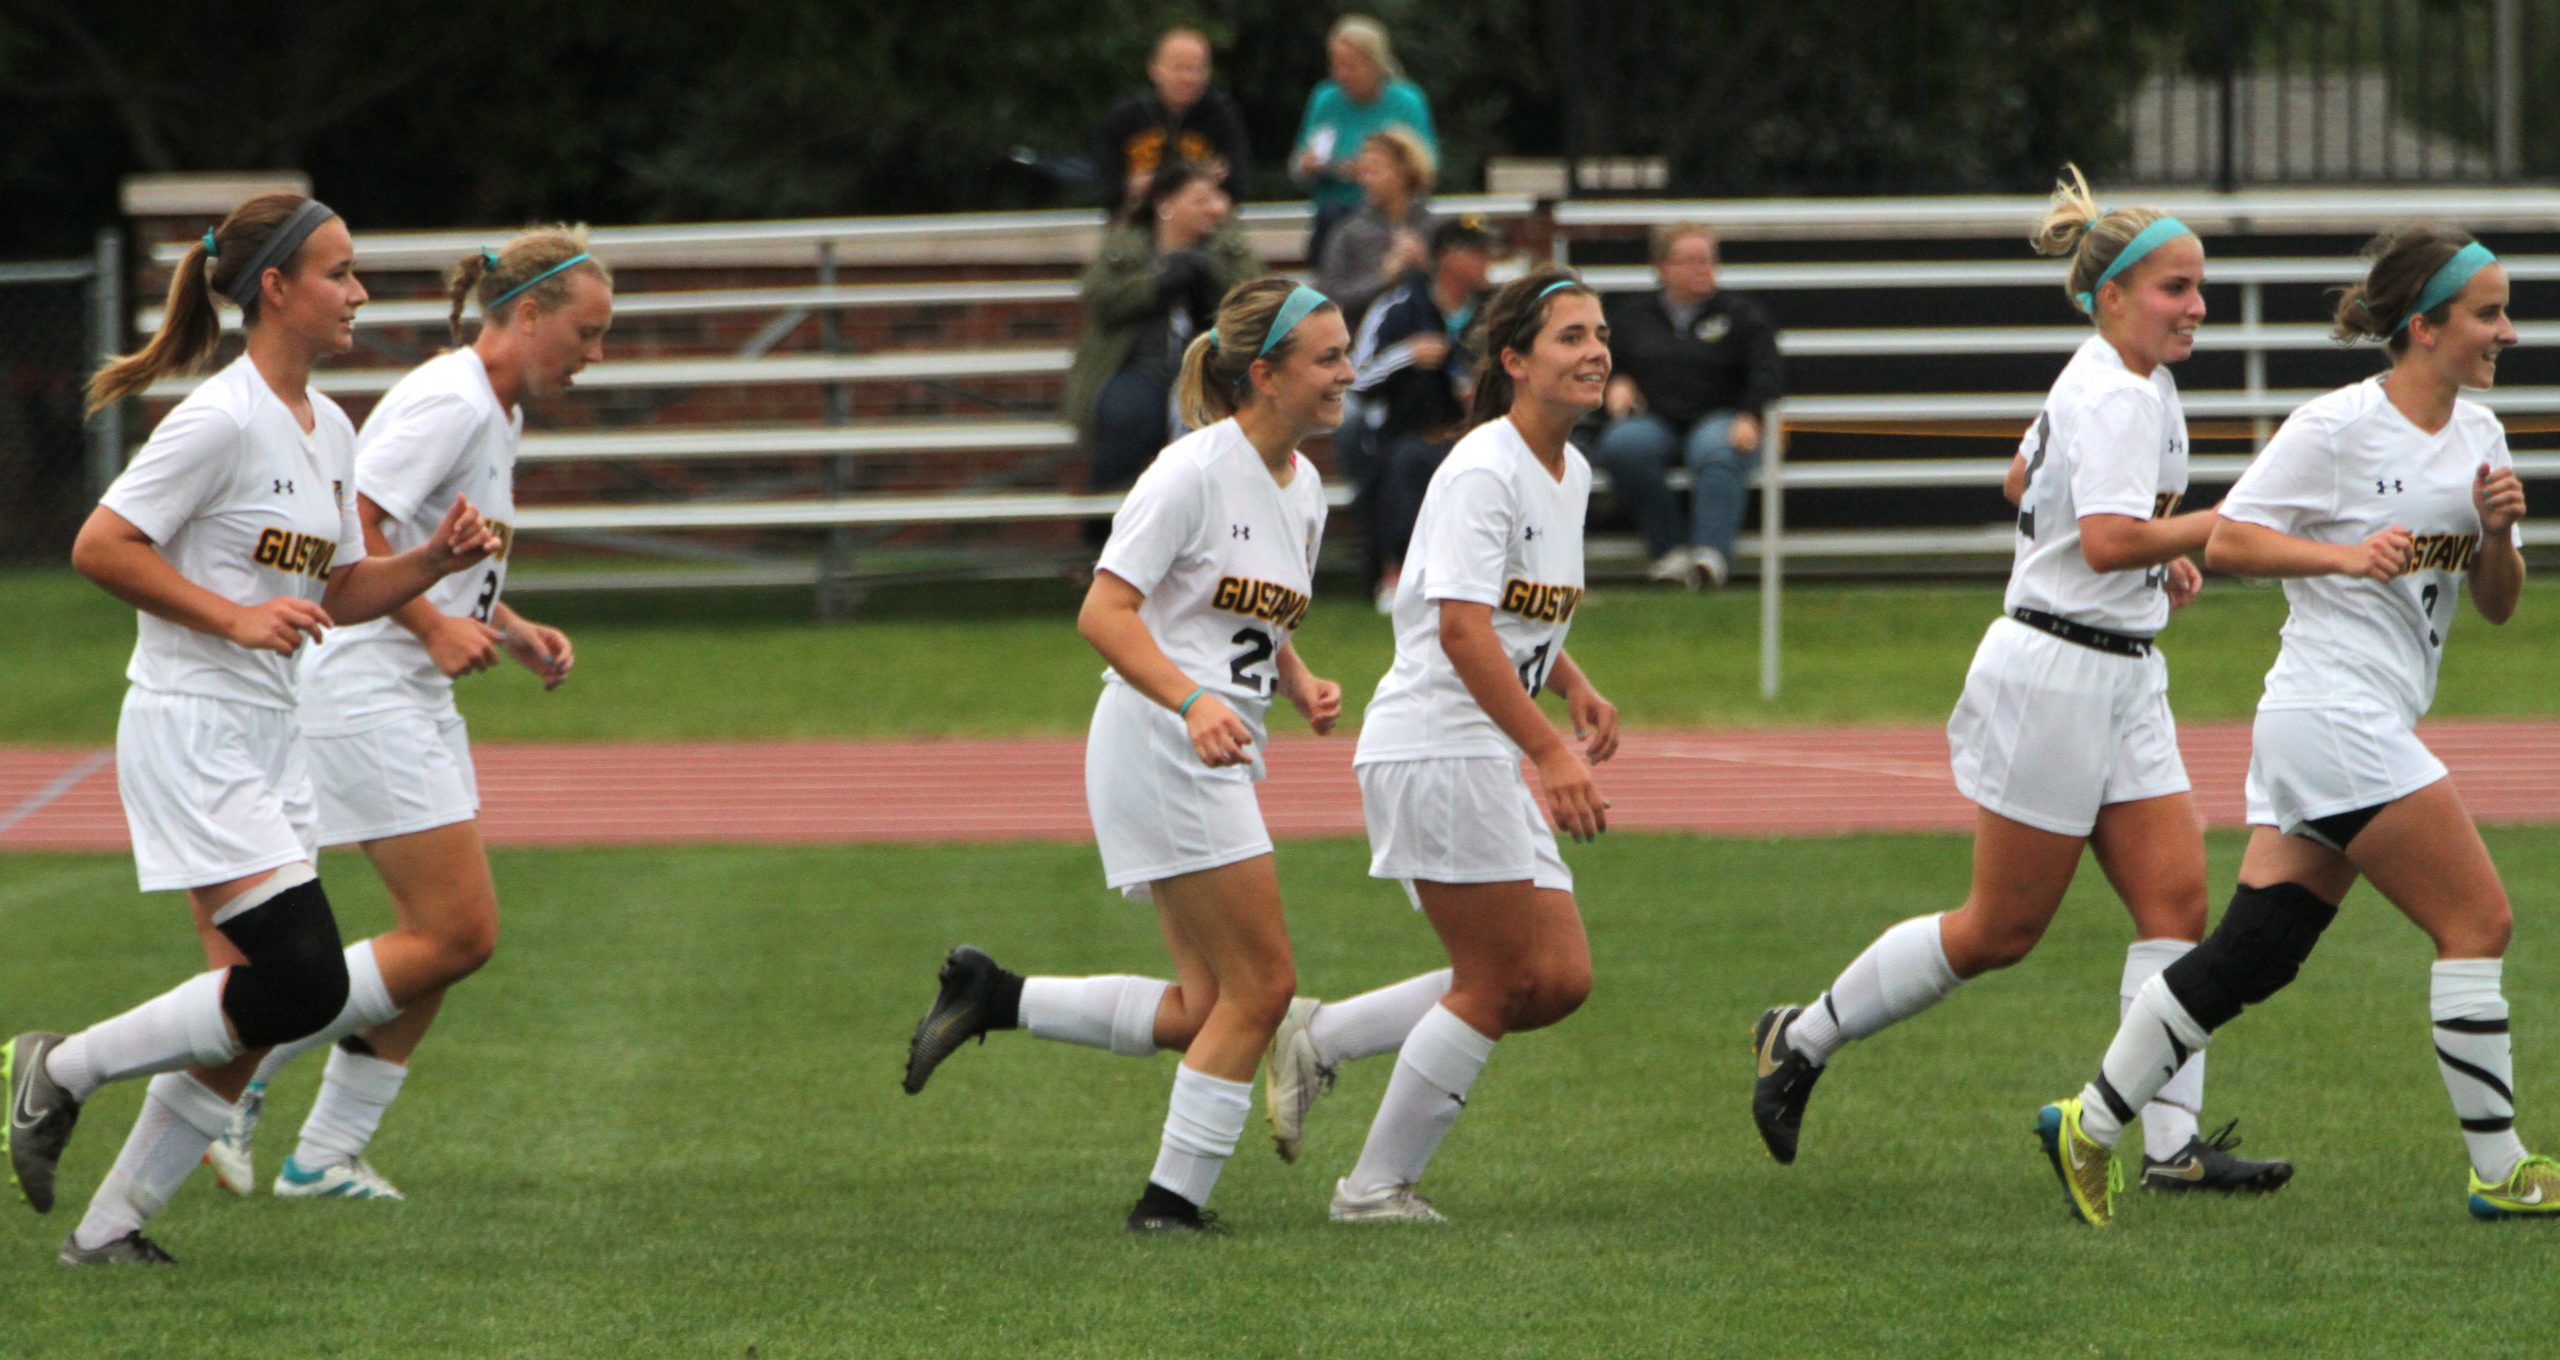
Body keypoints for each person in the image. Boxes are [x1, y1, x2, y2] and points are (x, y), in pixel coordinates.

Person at [1748, 168, 2292, 1201]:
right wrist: (2202, 533)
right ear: (2114, 292)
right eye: (2177, 287)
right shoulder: (2111, 387)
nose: (2198, 306)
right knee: (1997, 929)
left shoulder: (2127, 380)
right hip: (2055, 670)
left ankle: (2170, 1148)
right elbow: (2100, 538)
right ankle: (1800, 1037)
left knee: (2175, 899)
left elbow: (2026, 484)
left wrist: (2151, 551)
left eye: (2200, 287)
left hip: (2122, 667)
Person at [4, 192, 498, 1265]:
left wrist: (434, 566)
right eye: (339, 272)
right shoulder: (219, 417)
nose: (358, 292)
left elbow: (344, 586)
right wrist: (231, 614)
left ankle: (108, 1231)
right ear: (275, 288)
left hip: (272, 734)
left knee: (255, 1001)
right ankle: (64, 1067)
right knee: (304, 979)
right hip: (195, 730)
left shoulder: (330, 427)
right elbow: (103, 544)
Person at [2038, 225, 2551, 1226]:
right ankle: (2500, 1167)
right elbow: (2227, 536)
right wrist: (2343, 557)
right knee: (2477, 920)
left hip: (2354, 718)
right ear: (2423, 325)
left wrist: (2494, 536)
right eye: (2488, 312)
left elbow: (2496, 604)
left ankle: (2086, 1122)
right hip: (2332, 713)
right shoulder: (2336, 426)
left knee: (2256, 951)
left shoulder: (2480, 437)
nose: (2508, 331)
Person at [901, 279, 1352, 1234]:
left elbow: (1242, 611)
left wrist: (1298, 677)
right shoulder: (1188, 472)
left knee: (1205, 1008)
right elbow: (1103, 612)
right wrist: (1191, 701)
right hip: (1162, 742)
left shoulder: (1303, 485)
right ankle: (1169, 1205)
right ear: (1263, 375)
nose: (1348, 372)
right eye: (1328, 357)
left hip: (1206, 744)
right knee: (1263, 990)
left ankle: (997, 996)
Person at [199, 230, 609, 1202]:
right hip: (364, 681)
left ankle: (322, 1156)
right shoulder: (450, 397)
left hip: (406, 687)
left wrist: (499, 623)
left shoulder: (494, 409)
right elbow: (360, 528)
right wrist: (430, 625)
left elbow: (437, 546)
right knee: (457, 932)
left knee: (442, 941)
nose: (595, 356)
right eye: (585, 334)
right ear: (524, 314)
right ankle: (247, 1062)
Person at [1270, 268, 1620, 1223]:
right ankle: (1373, 1190)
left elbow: (1515, 617)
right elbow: (1461, 633)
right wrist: (1550, 752)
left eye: (1599, 334)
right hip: (1437, 745)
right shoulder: (1481, 468)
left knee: (1556, 980)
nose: (1596, 351)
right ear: (1513, 361)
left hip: (1476, 746)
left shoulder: (1569, 472)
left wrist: (1574, 683)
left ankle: (1326, 1036)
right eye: (1570, 337)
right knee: (1501, 978)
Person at [1062, 162, 1260, 545]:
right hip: (1137, 364)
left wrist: (1210, 277)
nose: (1213, 208)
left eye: (1216, 199)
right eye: (1200, 200)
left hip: (1209, 372)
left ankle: (1222, 543)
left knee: (1217, 427)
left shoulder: (1228, 248)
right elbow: (1099, 298)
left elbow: (1259, 302)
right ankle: (1104, 542)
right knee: (1130, 416)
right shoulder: (1127, 245)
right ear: (1166, 203)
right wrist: (1159, 283)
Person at [1592, 223, 1782, 588]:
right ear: (1663, 267)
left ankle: (1711, 556)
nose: (1703, 268)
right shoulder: (1633, 317)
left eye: (1708, 259)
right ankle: (1670, 551)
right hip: (1656, 418)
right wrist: (1616, 382)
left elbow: (1768, 371)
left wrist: (1751, 414)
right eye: (1691, 260)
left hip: (1722, 416)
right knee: (1623, 445)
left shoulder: (1742, 315)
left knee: (1717, 449)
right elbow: (1606, 362)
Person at [1348, 216, 1497, 609]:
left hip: (1479, 436)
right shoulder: (1397, 307)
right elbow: (1356, 380)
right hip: (1407, 436)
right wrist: (1406, 355)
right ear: (1448, 258)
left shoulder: (1495, 312)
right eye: (1479, 253)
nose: (1489, 262)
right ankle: (1395, 573)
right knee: (1404, 464)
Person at [1291, 15, 1437, 267]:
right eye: (1335, 66)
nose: (1341, 75)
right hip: (1335, 212)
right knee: (1333, 224)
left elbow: (1426, 167)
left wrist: (1371, 171)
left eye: (1350, 66)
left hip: (1391, 214)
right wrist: (1308, 164)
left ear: (1375, 64)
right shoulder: (1325, 99)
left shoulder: (1406, 101)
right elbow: (1297, 168)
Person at [1094, 27, 1252, 219]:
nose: (1189, 78)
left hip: (1205, 223)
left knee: (1232, 245)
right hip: (1139, 221)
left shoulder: (1221, 115)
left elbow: (1235, 187)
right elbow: (1108, 189)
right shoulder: (1124, 116)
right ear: (1155, 70)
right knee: (1122, 248)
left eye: (1197, 69)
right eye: (1180, 68)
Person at [1314, 127, 1440, 331]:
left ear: (1404, 173)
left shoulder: (1434, 226)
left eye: (1374, 171)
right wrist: (1384, 277)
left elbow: (1456, 293)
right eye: (1363, 172)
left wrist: (1425, 264)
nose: (1365, 180)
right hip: (1368, 335)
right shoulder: (1348, 231)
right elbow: (1330, 296)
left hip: (1430, 333)